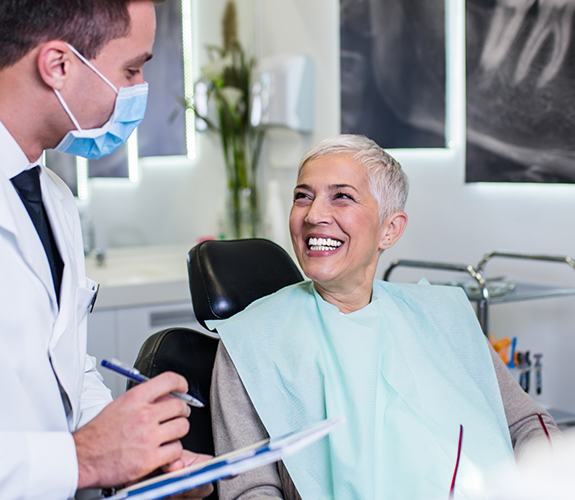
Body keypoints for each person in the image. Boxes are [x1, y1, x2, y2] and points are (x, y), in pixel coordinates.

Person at [210, 134, 562, 499]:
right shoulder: (249, 342)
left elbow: (527, 422)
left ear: (390, 229)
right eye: (303, 196)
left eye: (341, 196)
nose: (314, 215)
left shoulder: (443, 315)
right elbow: (250, 490)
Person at [0, 1, 212, 499]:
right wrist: (85, 459)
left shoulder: (53, 197)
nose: (140, 90)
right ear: (58, 65)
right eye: (132, 69)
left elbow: (66, 370)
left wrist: (143, 460)